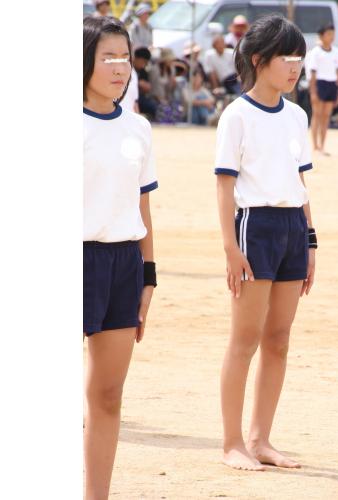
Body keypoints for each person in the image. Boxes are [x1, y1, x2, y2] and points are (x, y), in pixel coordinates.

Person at [215, 14, 316, 471]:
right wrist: (230, 248)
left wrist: (310, 241)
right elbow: (224, 186)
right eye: (286, 58)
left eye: (299, 58)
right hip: (254, 227)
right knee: (245, 339)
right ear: (258, 60)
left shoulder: (297, 115)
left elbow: (301, 182)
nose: (295, 67)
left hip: (293, 227)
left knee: (279, 340)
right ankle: (231, 443)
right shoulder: (236, 116)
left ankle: (261, 439)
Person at [83, 16, 158, 499]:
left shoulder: (138, 127)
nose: (119, 67)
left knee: (108, 396)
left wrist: (149, 275)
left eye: (125, 57)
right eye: (107, 57)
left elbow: (143, 205)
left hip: (124, 264)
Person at [307, 24, 338, 155]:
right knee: (317, 114)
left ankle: (322, 145)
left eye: (332, 34)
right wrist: (313, 91)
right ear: (321, 36)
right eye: (328, 34)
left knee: (326, 116)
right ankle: (315, 146)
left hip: (331, 84)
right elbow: (312, 72)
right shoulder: (316, 52)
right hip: (320, 83)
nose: (331, 37)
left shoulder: (337, 52)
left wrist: (337, 91)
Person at [133, 47, 157, 119]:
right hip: (130, 96)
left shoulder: (143, 71)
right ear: (137, 58)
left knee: (152, 106)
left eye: (146, 63)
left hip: (140, 96)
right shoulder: (129, 68)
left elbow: (147, 87)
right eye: (143, 62)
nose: (144, 65)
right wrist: (139, 83)